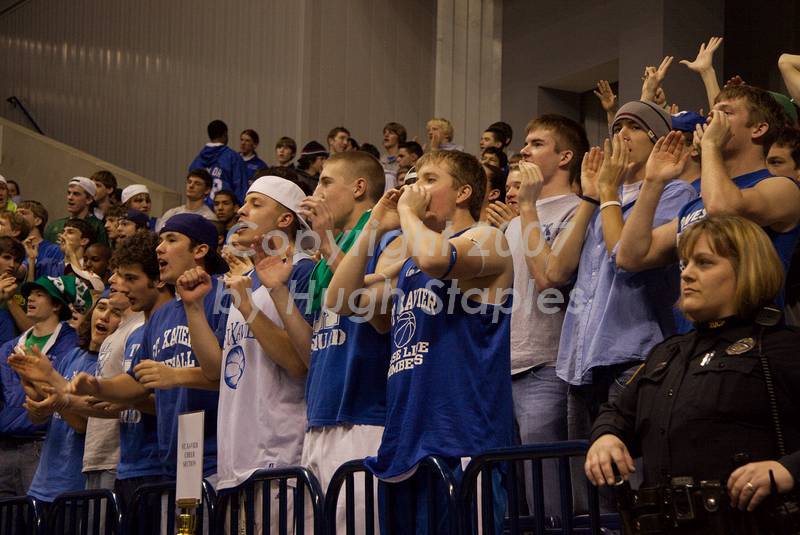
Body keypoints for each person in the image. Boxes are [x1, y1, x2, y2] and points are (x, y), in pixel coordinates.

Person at [327, 150, 515, 533]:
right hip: (406, 444)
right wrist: (373, 225)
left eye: (429, 179)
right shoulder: (408, 266)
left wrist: (409, 215)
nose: (415, 189)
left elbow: (435, 258)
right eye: (412, 180)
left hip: (462, 444)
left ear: (463, 192)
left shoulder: (488, 239)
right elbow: (339, 299)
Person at [586, 216, 800, 534]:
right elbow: (616, 414)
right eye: (685, 263)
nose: (685, 273)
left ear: (746, 269)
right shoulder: (666, 354)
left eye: (704, 263)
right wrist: (606, 438)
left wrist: (789, 470)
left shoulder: (782, 347)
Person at [557, 101, 697, 511]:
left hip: (633, 353)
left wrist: (606, 195)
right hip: (580, 358)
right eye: (617, 127)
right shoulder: (605, 196)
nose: (622, 135)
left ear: (658, 144)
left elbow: (626, 256)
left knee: (629, 487)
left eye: (634, 128)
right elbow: (562, 272)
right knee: (587, 493)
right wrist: (593, 195)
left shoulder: (677, 192)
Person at [262, 151, 388, 533]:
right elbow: (311, 353)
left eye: (326, 182)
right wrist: (279, 293)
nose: (314, 193)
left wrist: (330, 243)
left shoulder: (383, 235)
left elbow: (379, 318)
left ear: (359, 188)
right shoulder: (321, 260)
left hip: (366, 416)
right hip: (319, 418)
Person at [180, 176, 312, 530]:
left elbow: (298, 362)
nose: (241, 210)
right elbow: (216, 370)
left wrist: (246, 303)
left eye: (256, 204)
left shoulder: (301, 272)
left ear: (285, 220)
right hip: (236, 457)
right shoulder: (245, 280)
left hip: (280, 455)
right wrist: (193, 309)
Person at [617, 85, 800, 331]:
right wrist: (653, 182)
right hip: (694, 345)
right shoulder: (694, 205)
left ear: (758, 128)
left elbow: (722, 213)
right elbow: (630, 256)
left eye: (726, 112)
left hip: (748, 346)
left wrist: (711, 147)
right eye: (711, 112)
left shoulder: (781, 188)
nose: (712, 118)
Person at [72, 214, 228, 484]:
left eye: (171, 239)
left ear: (200, 250)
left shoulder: (225, 297)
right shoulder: (162, 315)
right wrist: (96, 386)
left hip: (216, 455)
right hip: (173, 458)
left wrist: (176, 376)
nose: (159, 248)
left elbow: (233, 372)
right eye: (160, 241)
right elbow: (137, 380)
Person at [506, 114, 589, 518]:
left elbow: (549, 283)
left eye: (537, 144)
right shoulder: (514, 223)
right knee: (517, 503)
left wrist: (526, 207)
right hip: (505, 370)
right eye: (525, 142)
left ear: (565, 157)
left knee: (552, 505)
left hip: (548, 366)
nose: (524, 150)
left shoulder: (577, 213)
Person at [0, 275, 81, 497]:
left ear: (56, 304)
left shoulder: (72, 344)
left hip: (42, 445)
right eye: (29, 295)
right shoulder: (8, 348)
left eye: (39, 294)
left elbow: (66, 392)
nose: (31, 299)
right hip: (5, 446)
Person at [189, 119, 250, 206]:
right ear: (225, 135)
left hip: (200, 211)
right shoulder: (233, 158)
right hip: (223, 212)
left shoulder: (197, 161)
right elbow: (241, 189)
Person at [44, 177, 108, 246]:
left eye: (76, 194)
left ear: (89, 199)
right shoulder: (55, 226)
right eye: (69, 193)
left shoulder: (97, 227)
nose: (70, 197)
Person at [18, 201, 64, 281]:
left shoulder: (54, 250)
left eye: (23, 213)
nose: (17, 216)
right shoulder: (14, 247)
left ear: (37, 221)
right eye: (16, 213)